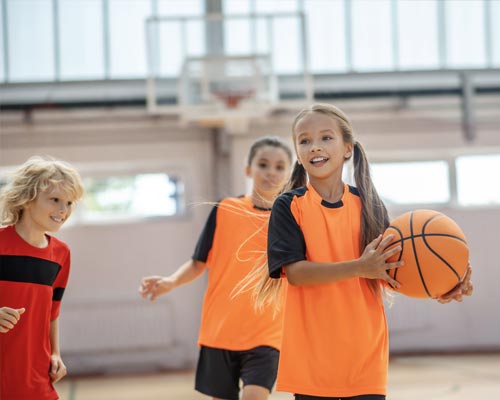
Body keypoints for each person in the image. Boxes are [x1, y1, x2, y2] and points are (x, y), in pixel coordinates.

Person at [253, 103, 473, 400]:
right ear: (299, 154)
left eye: (326, 138)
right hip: (313, 361)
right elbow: (296, 273)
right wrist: (359, 267)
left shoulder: (368, 205)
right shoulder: (289, 206)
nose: (315, 146)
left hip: (365, 359)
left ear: (347, 148)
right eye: (304, 141)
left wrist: (440, 285)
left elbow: (391, 268)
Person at [139, 136, 293, 400]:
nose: (271, 172)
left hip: (267, 333)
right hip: (220, 331)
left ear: (289, 173)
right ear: (248, 169)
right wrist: (171, 282)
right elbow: (198, 262)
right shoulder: (225, 209)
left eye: (280, 167)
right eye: (263, 164)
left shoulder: (292, 218)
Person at [0, 156, 84, 400]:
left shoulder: (61, 254)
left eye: (69, 203)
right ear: (27, 198)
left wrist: (55, 355)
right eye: (55, 200)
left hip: (36, 379)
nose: (63, 210)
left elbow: (52, 313)